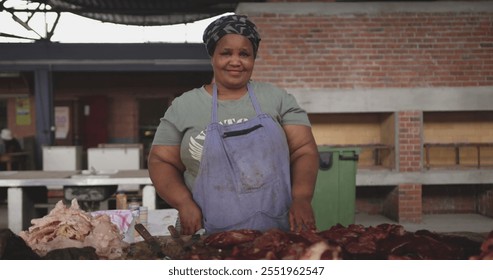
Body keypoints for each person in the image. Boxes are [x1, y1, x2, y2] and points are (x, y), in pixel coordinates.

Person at [148, 14, 319, 235]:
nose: (235, 61)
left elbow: (303, 150)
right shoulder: (184, 106)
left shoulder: (277, 99)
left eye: (244, 54)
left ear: (253, 58)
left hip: (277, 234)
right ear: (213, 57)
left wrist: (302, 197)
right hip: (206, 235)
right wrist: (183, 202)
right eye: (226, 53)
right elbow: (160, 161)